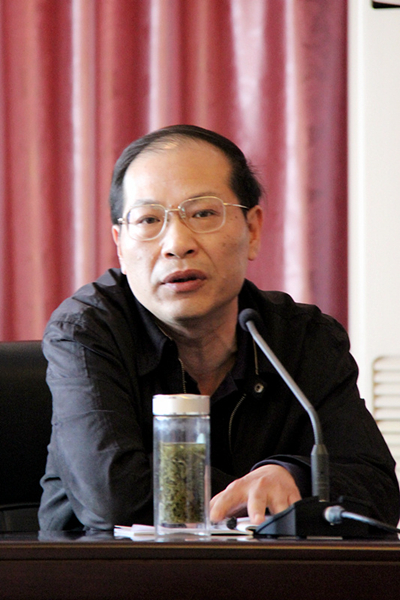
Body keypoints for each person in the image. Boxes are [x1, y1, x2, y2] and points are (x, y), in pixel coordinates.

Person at [38, 124, 399, 531]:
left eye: (203, 213)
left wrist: (291, 476)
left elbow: (379, 493)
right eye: (149, 219)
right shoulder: (86, 332)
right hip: (111, 570)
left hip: (269, 573)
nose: (177, 244)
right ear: (120, 245)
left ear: (253, 229)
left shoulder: (303, 338)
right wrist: (261, 496)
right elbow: (114, 496)